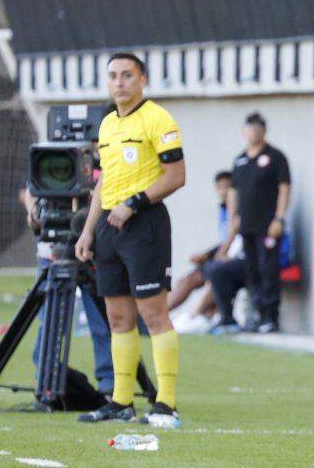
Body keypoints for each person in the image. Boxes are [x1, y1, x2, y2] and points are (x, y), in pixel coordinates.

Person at [74, 52, 186, 424]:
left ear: (143, 80)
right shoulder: (106, 124)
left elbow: (176, 175)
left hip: (145, 225)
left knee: (153, 314)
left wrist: (134, 203)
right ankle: (121, 401)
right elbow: (103, 182)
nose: (119, 82)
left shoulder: (158, 119)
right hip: (109, 227)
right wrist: (89, 230)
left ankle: (166, 404)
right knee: (117, 318)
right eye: (113, 76)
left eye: (127, 75)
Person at [19, 181, 114, 395]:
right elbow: (31, 187)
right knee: (49, 320)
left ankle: (110, 384)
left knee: (102, 319)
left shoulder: (100, 154)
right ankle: (45, 381)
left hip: (93, 247)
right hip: (51, 249)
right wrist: (32, 211)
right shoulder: (48, 150)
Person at [219, 112, 290, 334]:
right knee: (252, 272)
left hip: (267, 226)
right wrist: (233, 218)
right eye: (250, 128)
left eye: (258, 128)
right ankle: (256, 314)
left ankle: (270, 317)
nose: (254, 133)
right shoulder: (240, 160)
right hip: (246, 227)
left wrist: (279, 217)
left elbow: (284, 187)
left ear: (264, 131)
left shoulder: (275, 157)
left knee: (268, 270)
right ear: (244, 131)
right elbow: (233, 192)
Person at [168, 171, 244, 334]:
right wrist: (208, 254)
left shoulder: (242, 211)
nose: (223, 192)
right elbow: (225, 242)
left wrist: (214, 256)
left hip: (242, 261)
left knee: (216, 272)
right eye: (220, 188)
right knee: (190, 278)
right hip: (226, 256)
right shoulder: (223, 210)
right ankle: (159, 315)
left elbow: (238, 242)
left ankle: (195, 316)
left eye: (227, 187)